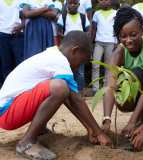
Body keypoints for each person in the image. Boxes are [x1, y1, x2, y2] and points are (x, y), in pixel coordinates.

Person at [0, 31, 111, 160]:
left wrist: (89, 129)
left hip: (11, 109)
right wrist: (98, 132)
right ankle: (27, 142)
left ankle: (39, 130)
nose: (78, 67)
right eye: (80, 62)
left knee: (62, 88)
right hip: (7, 113)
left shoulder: (53, 55)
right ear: (74, 51)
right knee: (60, 87)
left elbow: (69, 99)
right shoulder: (60, 62)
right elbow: (75, 99)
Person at [102, 7, 143, 135]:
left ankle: (142, 121)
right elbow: (109, 86)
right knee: (123, 80)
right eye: (123, 36)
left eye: (133, 35)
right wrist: (107, 119)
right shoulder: (119, 52)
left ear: (142, 31)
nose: (128, 40)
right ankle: (138, 120)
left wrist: (132, 121)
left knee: (137, 73)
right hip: (134, 92)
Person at [58, 0, 90, 91]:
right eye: (70, 3)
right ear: (66, 4)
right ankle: (68, 91)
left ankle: (80, 92)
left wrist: (83, 39)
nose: (72, 5)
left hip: (80, 48)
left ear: (78, 5)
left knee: (80, 72)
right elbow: (59, 32)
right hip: (68, 49)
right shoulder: (63, 16)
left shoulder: (83, 17)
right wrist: (67, 39)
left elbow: (88, 31)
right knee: (68, 70)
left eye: (75, 3)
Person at [91, 0, 117, 92]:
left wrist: (116, 42)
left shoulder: (116, 13)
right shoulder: (96, 14)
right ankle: (95, 88)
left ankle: (106, 87)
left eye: (106, 0)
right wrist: (91, 43)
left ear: (110, 2)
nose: (104, 2)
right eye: (102, 0)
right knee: (95, 64)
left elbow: (117, 28)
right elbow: (93, 29)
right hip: (99, 42)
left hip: (110, 42)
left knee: (108, 66)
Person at [0, 0, 24, 86]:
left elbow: (25, 15)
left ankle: (19, 87)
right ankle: (7, 88)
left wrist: (22, 25)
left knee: (20, 64)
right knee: (5, 64)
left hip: (18, 35)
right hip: (2, 35)